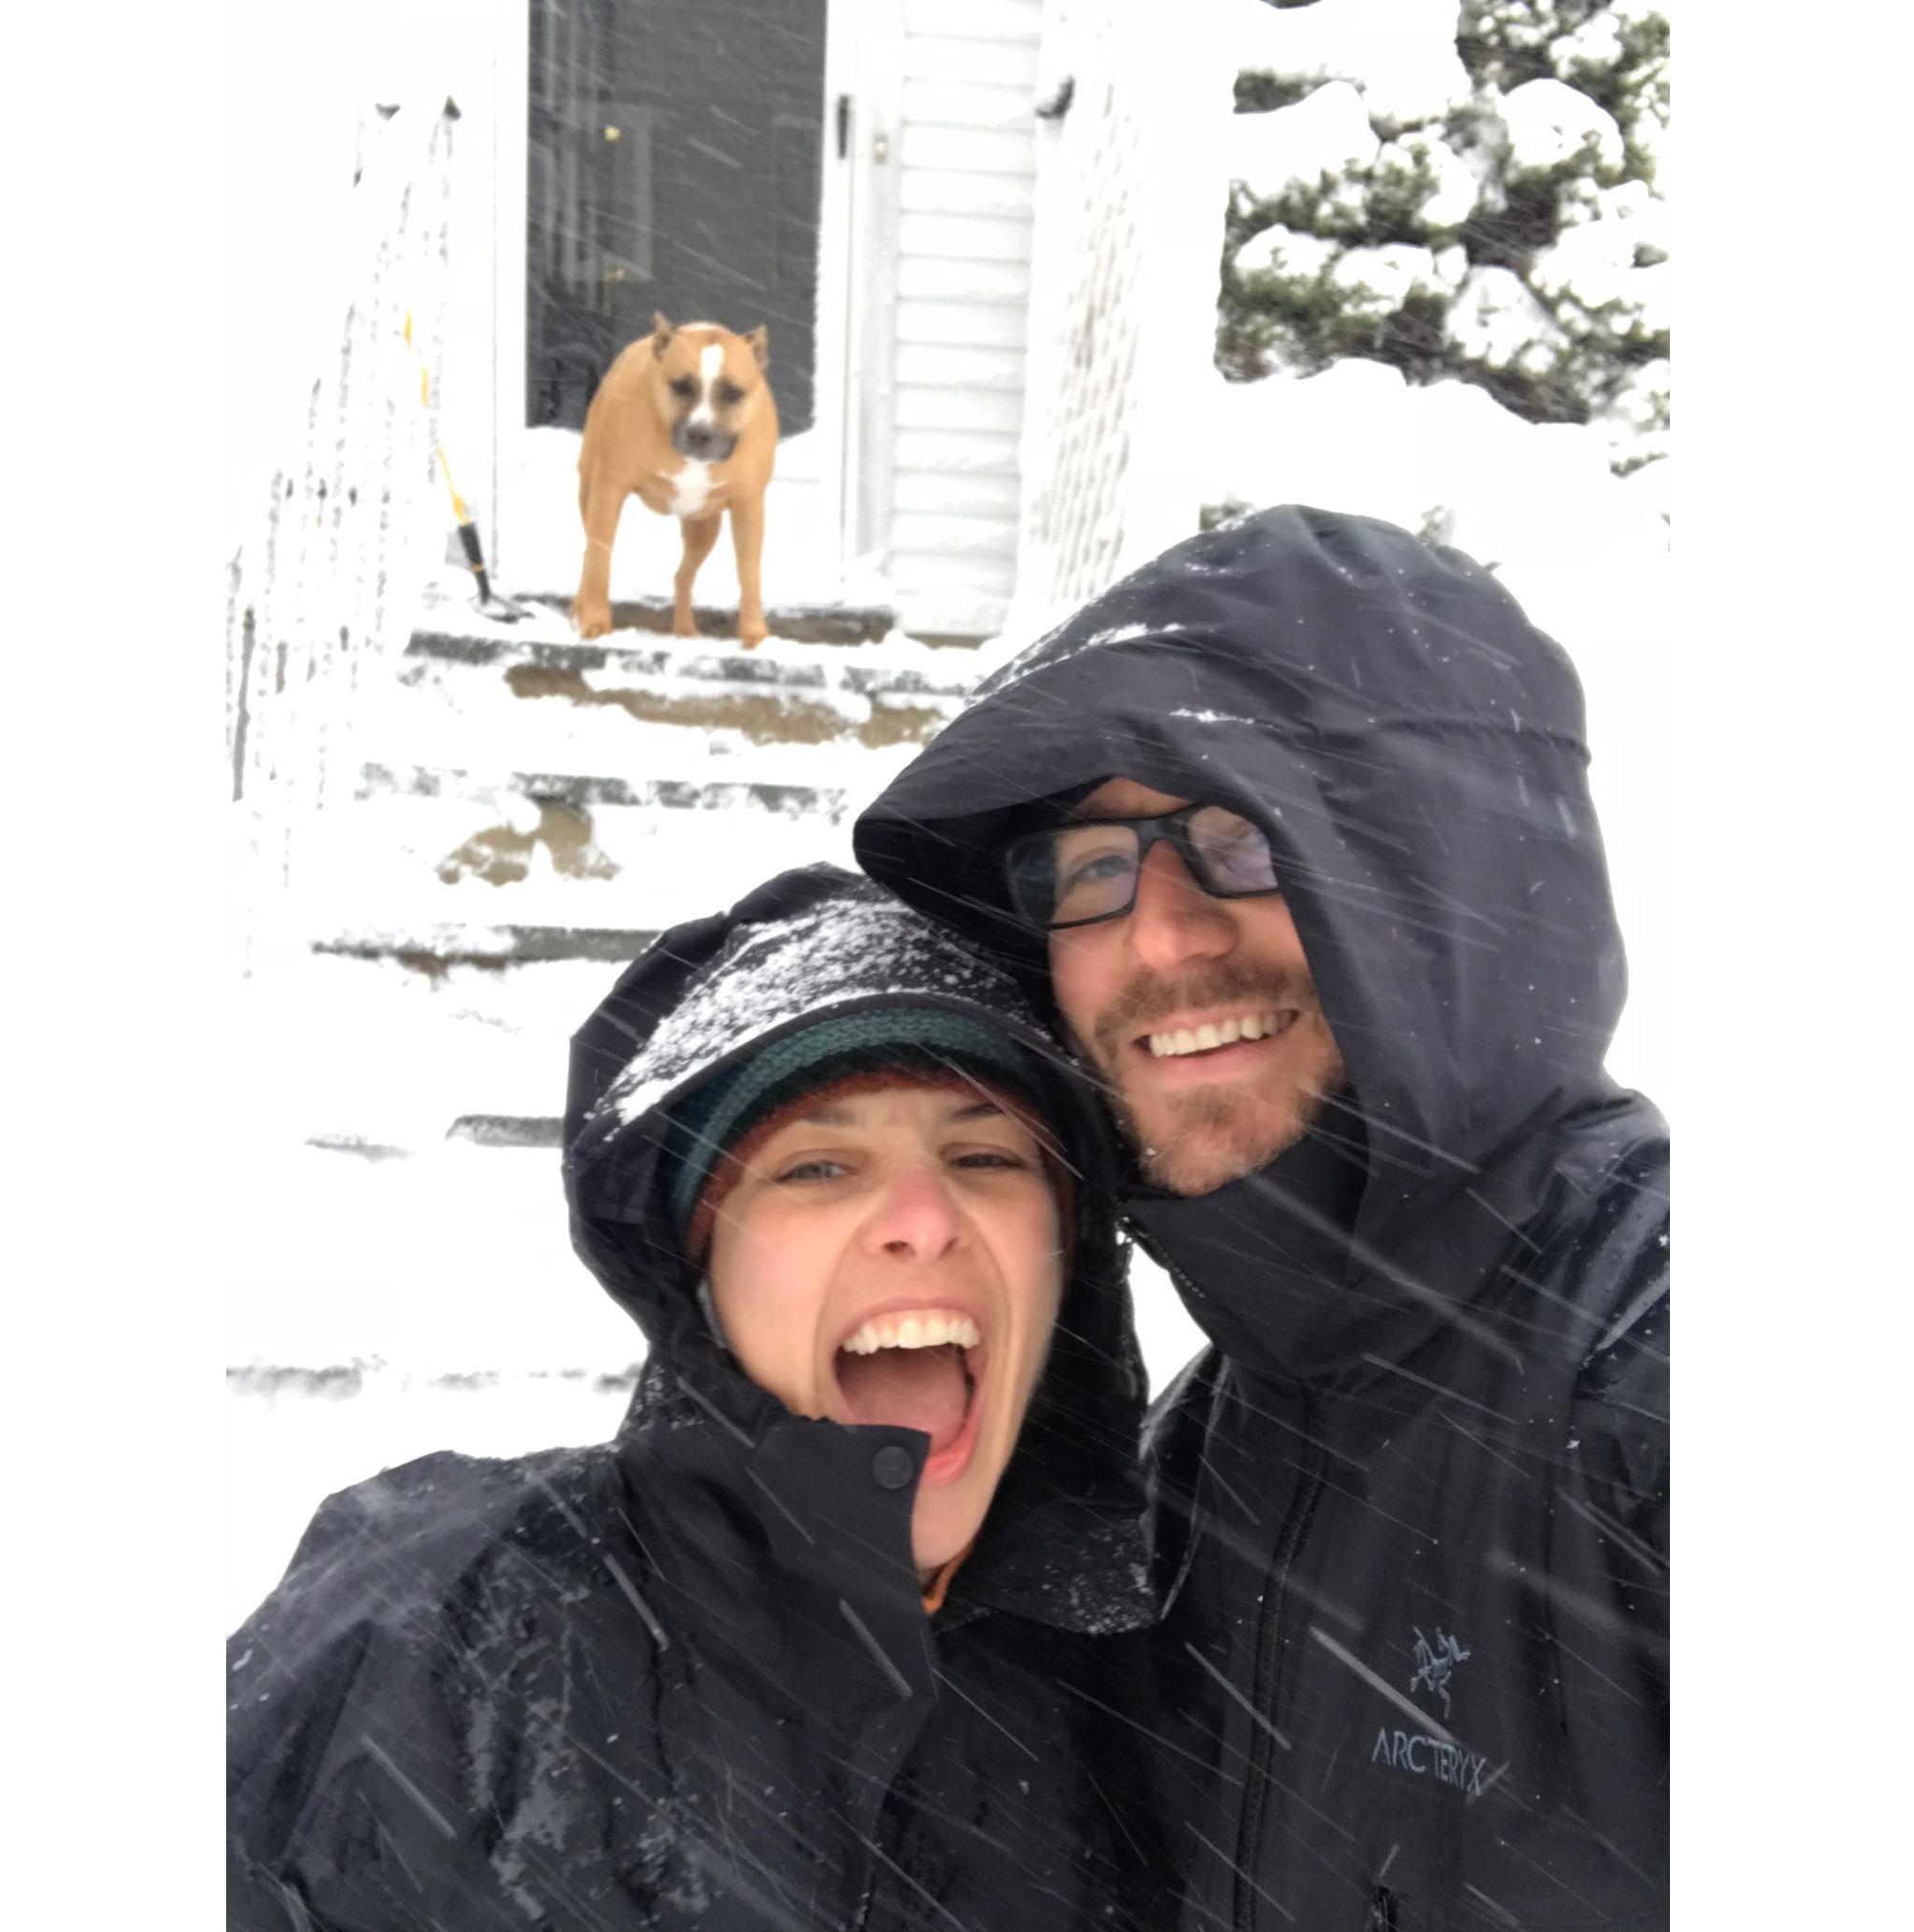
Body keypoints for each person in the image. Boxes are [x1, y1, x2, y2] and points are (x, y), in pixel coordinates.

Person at [856, 506, 1670, 1929]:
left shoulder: (1673, 1362)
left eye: (1241, 835)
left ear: (1454, 876)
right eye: (1090, 867)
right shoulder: (1188, 1467)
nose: (1160, 936)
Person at [226, 866, 1175, 1930]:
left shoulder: (1152, 1684)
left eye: (985, 1153)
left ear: (1067, 1263)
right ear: (702, 1278)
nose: (923, 1215)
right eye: (817, 1166)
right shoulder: (446, 1615)